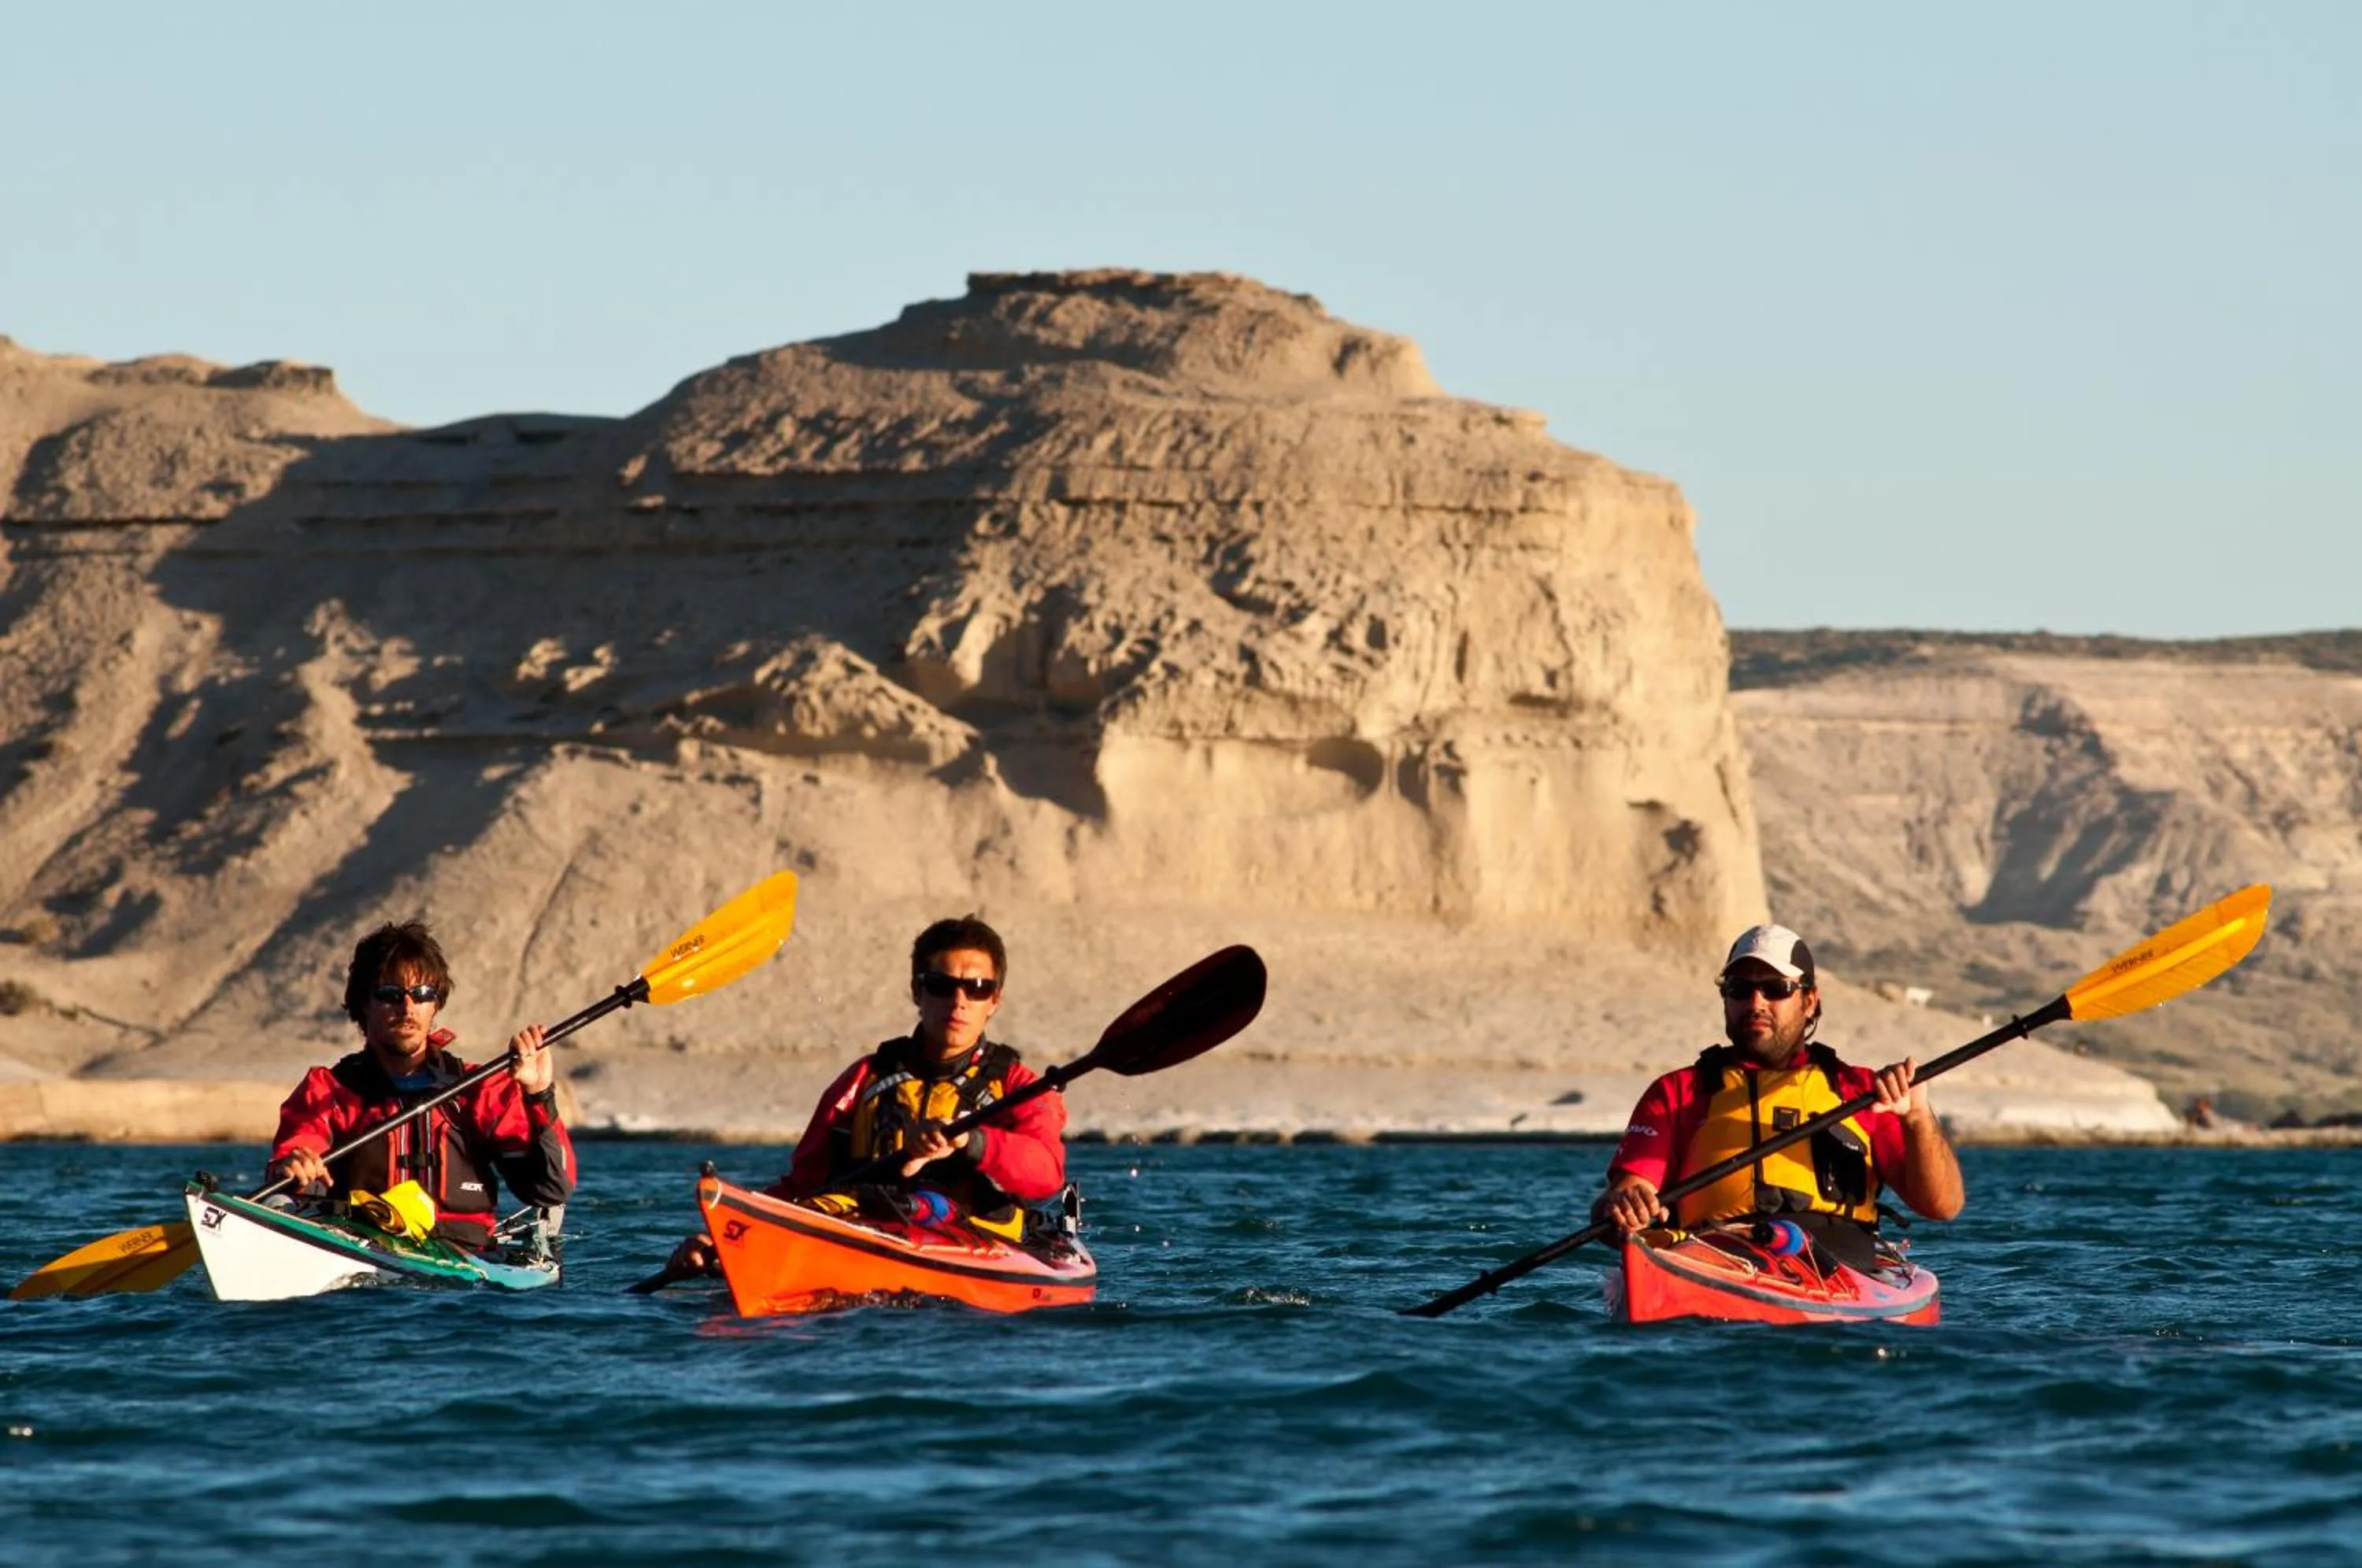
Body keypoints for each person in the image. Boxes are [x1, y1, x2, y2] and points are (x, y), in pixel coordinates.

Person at [668, 915, 1067, 1274]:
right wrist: (730, 1238)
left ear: (994, 1000)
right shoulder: (866, 1077)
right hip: (867, 1226)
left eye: (977, 988)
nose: (959, 1001)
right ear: (917, 991)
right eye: (942, 986)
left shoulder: (1018, 1085)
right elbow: (805, 1184)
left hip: (979, 1237)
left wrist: (970, 1140)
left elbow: (1046, 1176)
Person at [1591, 923, 1964, 1266]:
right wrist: (1625, 1206)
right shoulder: (1677, 1093)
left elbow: (1943, 1206)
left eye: (1776, 989)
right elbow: (1623, 1200)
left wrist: (1918, 1118)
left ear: (1810, 1001)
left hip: (1841, 1265)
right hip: (1716, 1258)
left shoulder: (1864, 1092)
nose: (1756, 1003)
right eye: (1739, 989)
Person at [268, 920, 575, 1252]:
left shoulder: (479, 1089)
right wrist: (296, 1166)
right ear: (363, 1005)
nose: (408, 1007)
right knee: (278, 1200)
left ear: (436, 1005)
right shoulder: (327, 1091)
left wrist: (539, 1094)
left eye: (422, 994)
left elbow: (551, 1190)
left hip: (464, 1265)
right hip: (363, 1249)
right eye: (390, 994)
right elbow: (299, 1148)